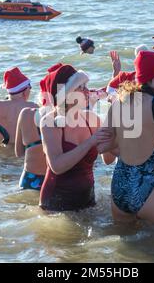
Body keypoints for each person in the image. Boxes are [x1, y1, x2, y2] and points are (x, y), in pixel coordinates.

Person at [98, 50, 154, 226]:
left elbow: (101, 148)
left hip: (120, 186)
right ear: (148, 78)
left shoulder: (118, 103)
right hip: (151, 187)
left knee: (127, 250)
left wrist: (124, 142)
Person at [39, 65, 116, 211]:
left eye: (86, 86)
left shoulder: (91, 118)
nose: (87, 91)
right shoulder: (50, 121)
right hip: (56, 203)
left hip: (87, 199)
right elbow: (57, 166)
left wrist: (114, 130)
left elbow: (108, 159)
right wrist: (90, 142)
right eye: (80, 87)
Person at [14, 64, 62, 190]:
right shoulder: (66, 118)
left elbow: (18, 152)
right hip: (53, 180)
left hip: (29, 178)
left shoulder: (25, 113)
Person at [0, 67, 36, 146]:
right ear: (25, 91)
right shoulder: (32, 107)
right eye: (30, 88)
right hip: (21, 149)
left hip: (1, 148)